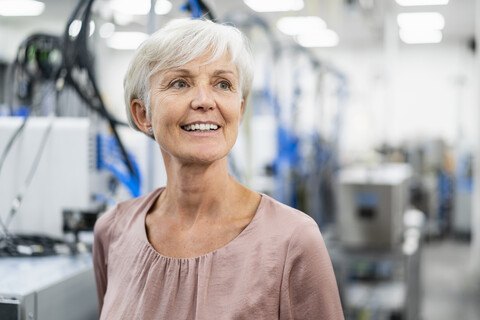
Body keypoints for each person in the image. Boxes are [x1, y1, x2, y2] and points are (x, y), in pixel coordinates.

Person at [92, 18, 344, 320]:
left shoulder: (293, 241)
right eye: (180, 83)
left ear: (239, 109)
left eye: (222, 84)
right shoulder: (112, 232)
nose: (204, 101)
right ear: (143, 114)